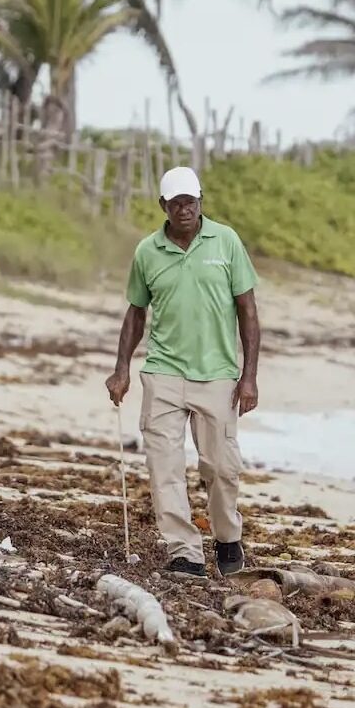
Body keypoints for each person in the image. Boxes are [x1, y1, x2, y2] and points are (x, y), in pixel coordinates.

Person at [105, 166, 260, 579]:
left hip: (218, 376)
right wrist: (122, 369)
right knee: (164, 466)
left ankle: (227, 536)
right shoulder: (147, 251)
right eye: (176, 203)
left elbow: (248, 311)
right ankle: (185, 552)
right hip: (164, 373)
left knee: (222, 468)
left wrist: (249, 376)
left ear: (200, 201)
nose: (185, 209)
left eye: (190, 201)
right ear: (163, 206)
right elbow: (135, 313)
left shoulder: (225, 241)